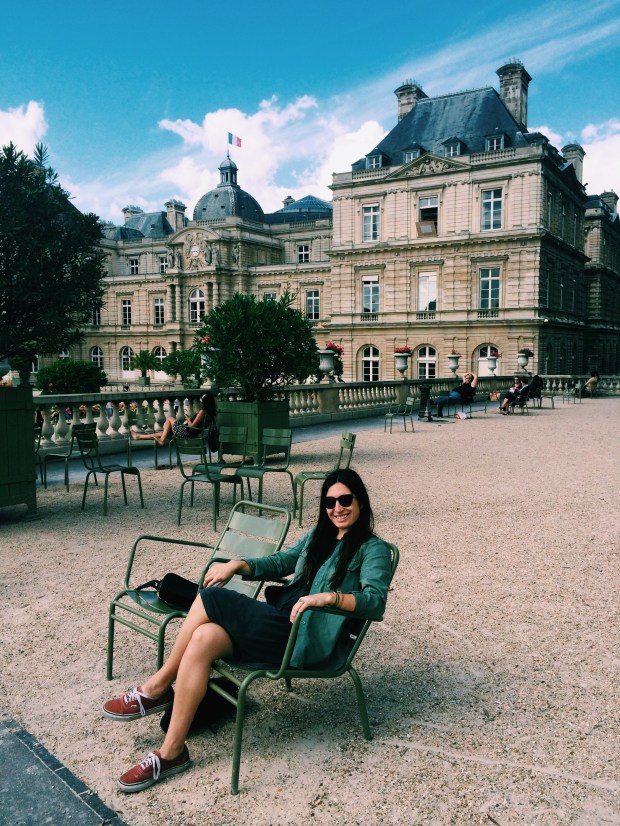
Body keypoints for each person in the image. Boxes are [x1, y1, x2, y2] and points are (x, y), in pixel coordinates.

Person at [102, 468, 392, 793]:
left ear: (361, 502)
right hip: (278, 621)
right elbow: (283, 561)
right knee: (203, 638)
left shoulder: (372, 549)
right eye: (330, 502)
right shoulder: (319, 535)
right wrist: (240, 564)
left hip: (299, 638)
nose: (337, 508)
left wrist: (330, 597)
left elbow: (375, 602)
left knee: (213, 598)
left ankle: (156, 688)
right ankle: (172, 753)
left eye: (345, 500)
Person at [130, 391, 216, 446]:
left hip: (187, 433)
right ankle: (138, 436)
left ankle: (162, 441)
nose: (200, 403)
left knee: (170, 418)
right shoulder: (210, 414)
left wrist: (188, 419)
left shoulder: (202, 412)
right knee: (163, 432)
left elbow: (192, 427)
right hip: (189, 433)